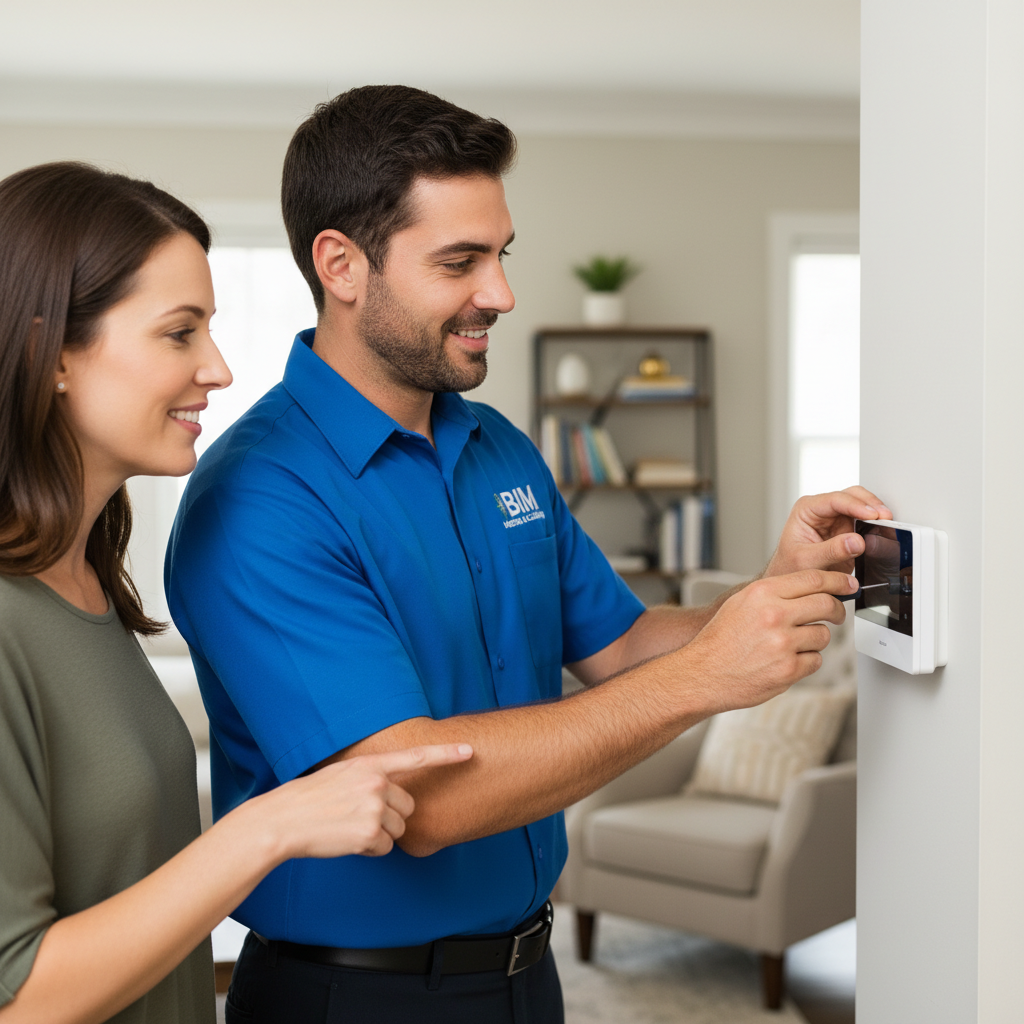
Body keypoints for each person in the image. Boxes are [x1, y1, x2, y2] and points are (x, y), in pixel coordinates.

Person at [165, 85, 889, 1024]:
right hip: (355, 995)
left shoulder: (497, 445)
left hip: (526, 976)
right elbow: (416, 799)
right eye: (459, 262)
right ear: (341, 265)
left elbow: (622, 647)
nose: (499, 294)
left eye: (500, 256)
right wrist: (708, 677)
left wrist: (772, 590)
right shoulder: (259, 498)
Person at [0, 161, 473, 1024]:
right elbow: (20, 997)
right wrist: (271, 827)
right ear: (53, 353)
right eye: (179, 333)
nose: (217, 369)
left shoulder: (86, 589)